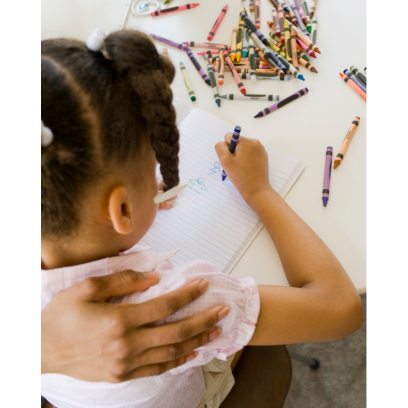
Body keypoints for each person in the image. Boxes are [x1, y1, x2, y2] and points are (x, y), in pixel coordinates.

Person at [41, 30, 363, 408]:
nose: (161, 183)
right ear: (122, 210)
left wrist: (126, 203)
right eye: (152, 173)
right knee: (269, 356)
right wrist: (260, 191)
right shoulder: (180, 300)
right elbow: (340, 308)